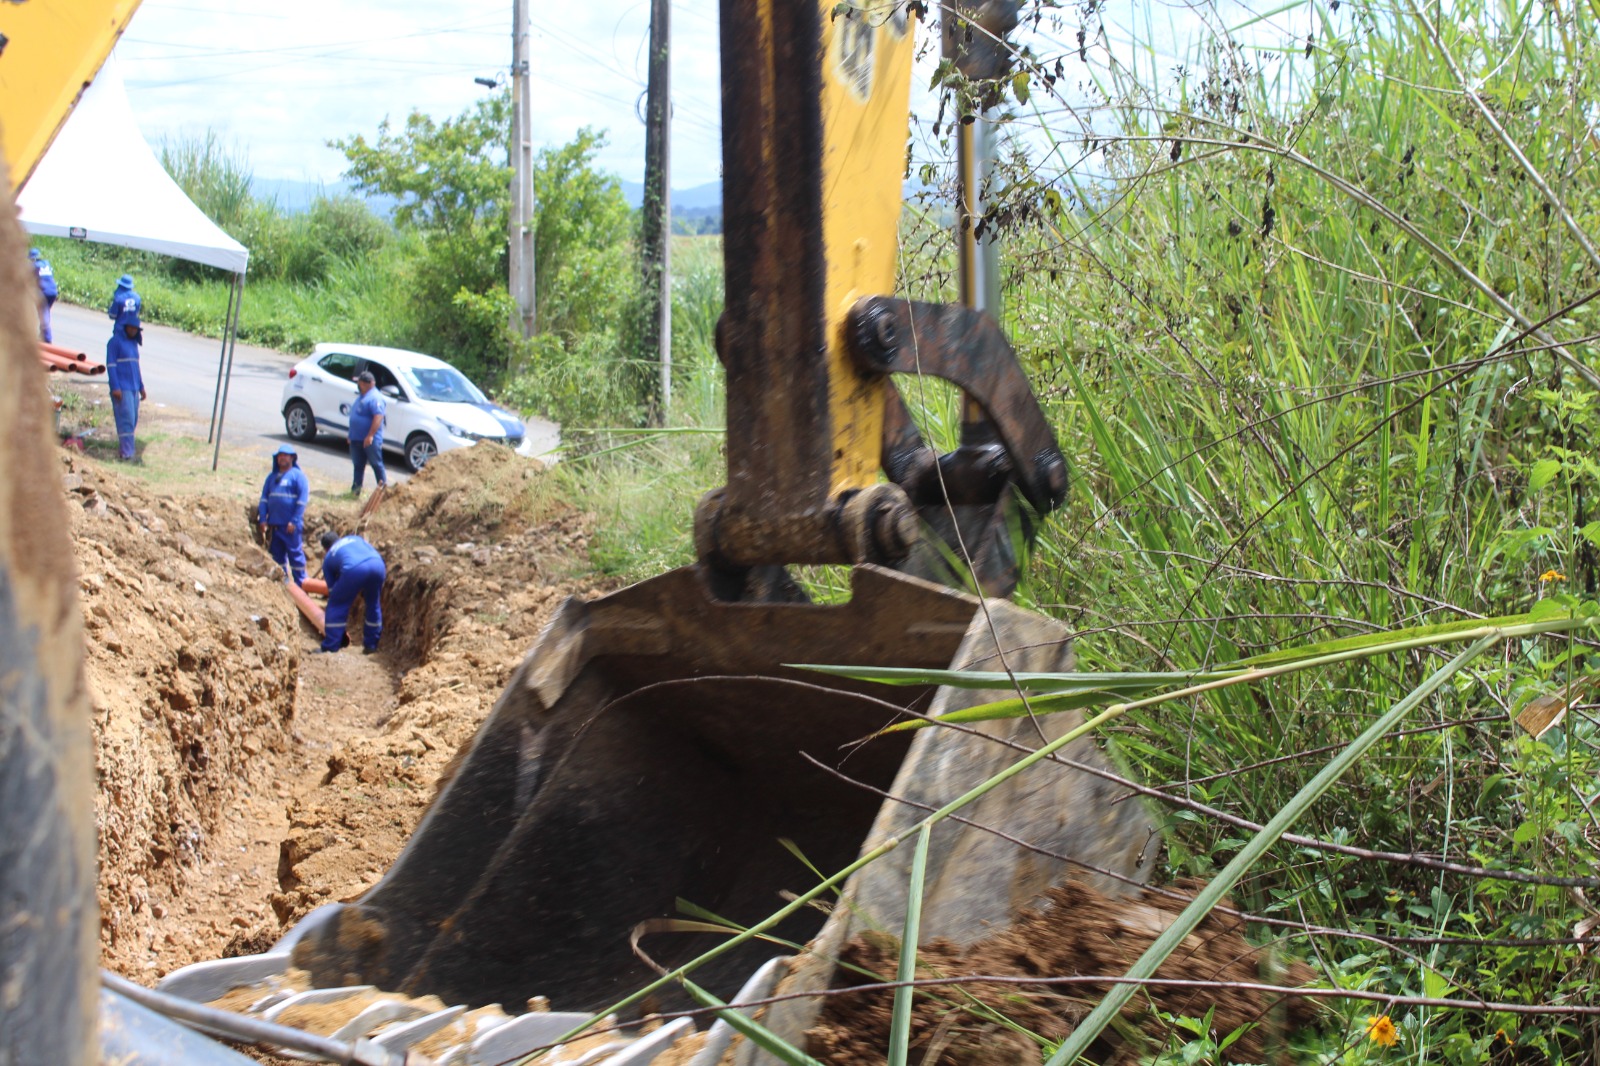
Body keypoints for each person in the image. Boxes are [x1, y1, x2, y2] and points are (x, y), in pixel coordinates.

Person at [317, 531, 386, 654]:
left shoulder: (328, 557)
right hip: (378, 564)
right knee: (373, 604)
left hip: (354, 569)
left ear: (326, 549)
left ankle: (331, 646)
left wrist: (345, 595)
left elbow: (333, 592)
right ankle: (371, 645)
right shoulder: (354, 538)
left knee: (336, 605)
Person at [104, 274, 144, 461]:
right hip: (123, 387)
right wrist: (115, 387)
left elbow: (112, 314)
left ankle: (127, 450)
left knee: (133, 419)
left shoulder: (118, 297)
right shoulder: (115, 343)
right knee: (126, 419)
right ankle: (127, 453)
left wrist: (141, 386)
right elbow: (111, 366)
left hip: (133, 386)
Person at [257, 445, 310, 585]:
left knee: (295, 556)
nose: (282, 458)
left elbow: (302, 501)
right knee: (277, 557)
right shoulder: (271, 477)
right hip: (275, 526)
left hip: (290, 527)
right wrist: (263, 518)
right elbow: (264, 499)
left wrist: (294, 520)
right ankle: (283, 584)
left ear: (292, 458)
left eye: (285, 455)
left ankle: (302, 585)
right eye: (280, 456)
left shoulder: (298, 476)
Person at [347, 369, 387, 495]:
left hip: (370, 440)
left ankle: (383, 492)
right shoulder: (362, 396)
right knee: (358, 466)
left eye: (360, 383)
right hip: (356, 438)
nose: (359, 385)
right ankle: (355, 491)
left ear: (367, 383)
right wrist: (351, 434)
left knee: (376, 465)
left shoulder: (375, 397)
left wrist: (370, 435)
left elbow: (378, 417)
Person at [29, 249, 58, 343]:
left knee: (43, 314)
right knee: (45, 313)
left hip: (44, 292)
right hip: (53, 291)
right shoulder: (46, 263)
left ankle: (47, 338)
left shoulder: (34, 266)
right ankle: (43, 335)